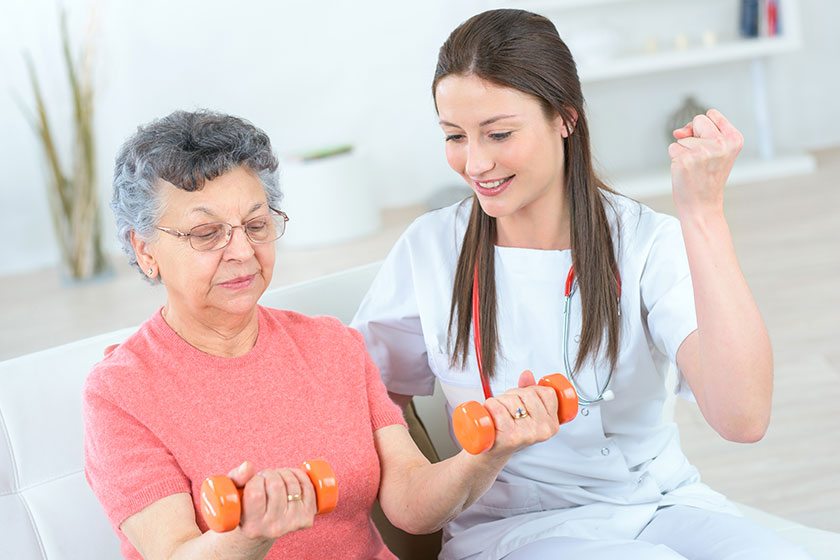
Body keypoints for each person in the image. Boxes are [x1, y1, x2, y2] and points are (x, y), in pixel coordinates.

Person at [351, 9, 812, 560]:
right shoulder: (429, 250)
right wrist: (442, 476)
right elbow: (366, 400)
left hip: (662, 505)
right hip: (508, 530)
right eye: (454, 136)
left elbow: (743, 418)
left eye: (498, 133)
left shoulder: (646, 240)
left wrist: (704, 214)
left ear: (564, 118)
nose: (475, 162)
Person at [82, 109, 564, 560]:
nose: (242, 251)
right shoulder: (120, 392)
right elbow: (174, 553)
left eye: (256, 224)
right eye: (207, 234)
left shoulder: (332, 345)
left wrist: (489, 451)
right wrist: (253, 534)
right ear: (145, 250)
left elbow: (411, 508)